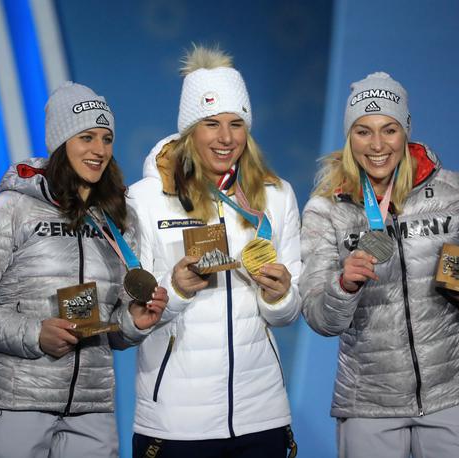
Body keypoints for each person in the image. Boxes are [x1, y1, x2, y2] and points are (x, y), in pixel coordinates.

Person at [0, 82, 168, 458]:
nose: (99, 150)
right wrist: (34, 334)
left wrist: (133, 322)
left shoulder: (117, 219)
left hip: (91, 410)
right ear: (62, 142)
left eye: (107, 138)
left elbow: (110, 327)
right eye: (86, 137)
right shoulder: (11, 209)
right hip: (17, 402)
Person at [300, 72, 459, 458]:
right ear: (348, 136)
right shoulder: (325, 209)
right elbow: (319, 317)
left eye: (389, 129)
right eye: (363, 131)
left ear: (405, 130)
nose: (377, 145)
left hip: (452, 391)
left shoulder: (451, 190)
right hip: (369, 401)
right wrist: (343, 286)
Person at [127, 45, 301, 457]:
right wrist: (176, 290)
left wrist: (279, 296)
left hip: (261, 413)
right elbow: (127, 317)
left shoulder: (276, 196)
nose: (226, 138)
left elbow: (290, 312)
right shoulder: (145, 199)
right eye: (212, 123)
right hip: (175, 421)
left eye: (237, 123)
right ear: (190, 131)